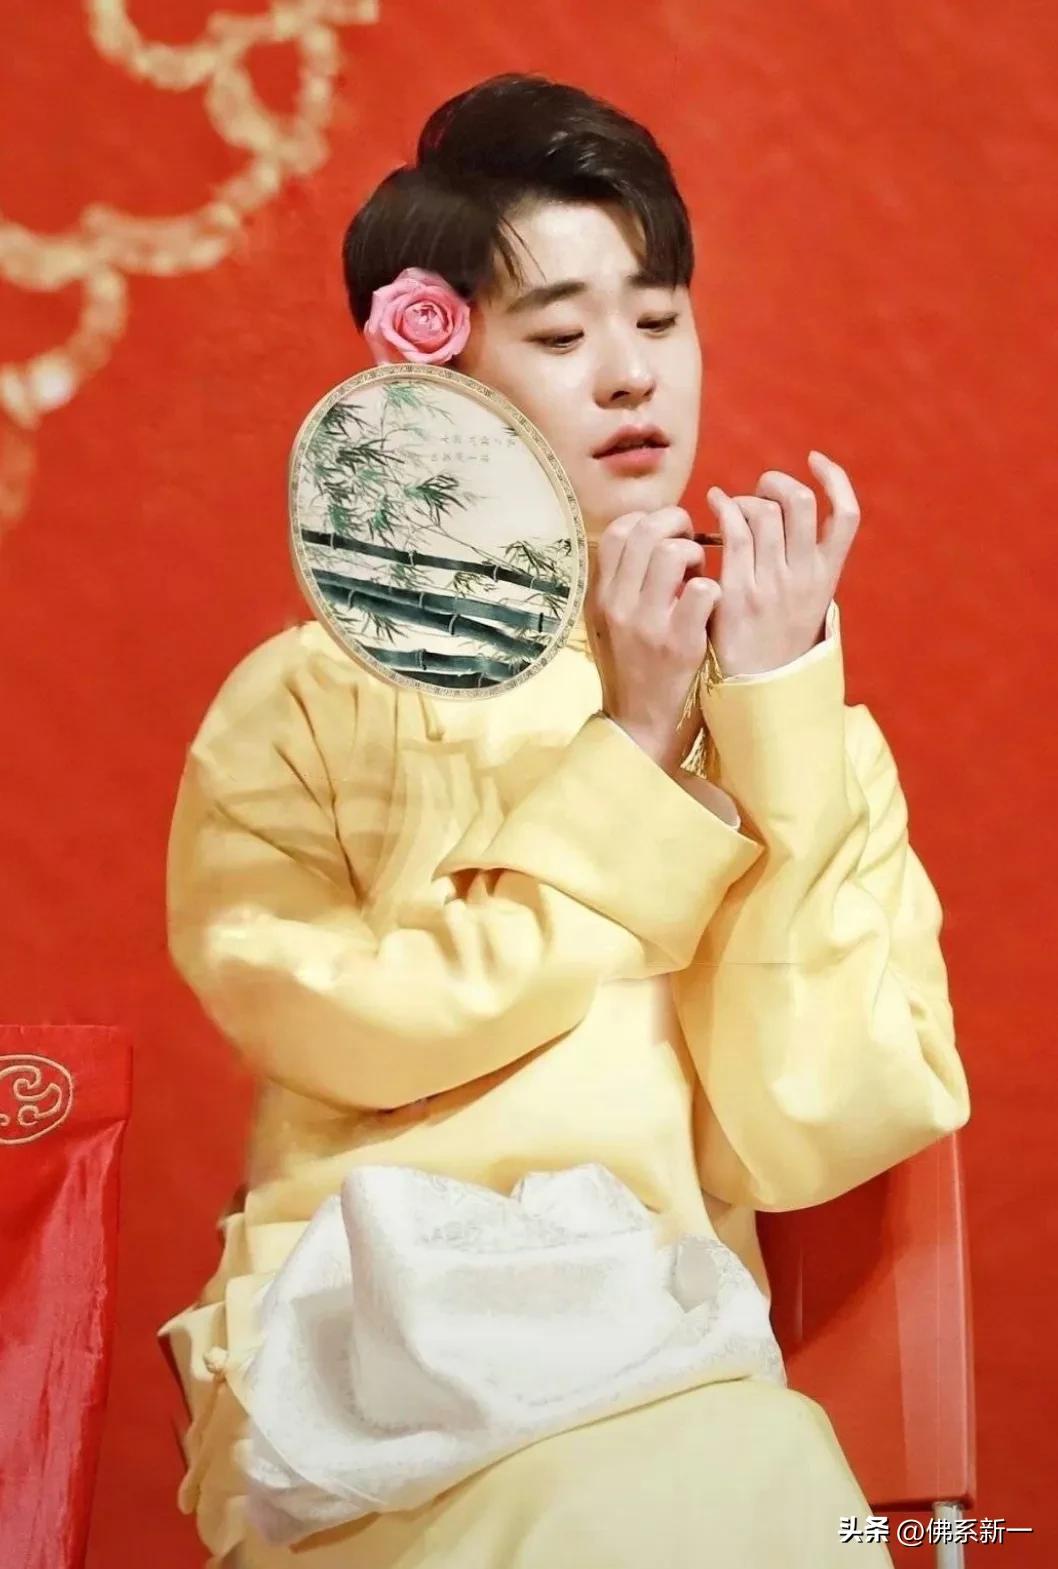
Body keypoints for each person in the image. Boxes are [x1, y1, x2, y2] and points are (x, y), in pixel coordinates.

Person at [160, 72, 970, 1568]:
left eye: (658, 320)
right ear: (443, 367)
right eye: (559, 334)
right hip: (385, 1350)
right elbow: (348, 1026)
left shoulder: (791, 712)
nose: (627, 376)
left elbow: (814, 1126)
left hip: (670, 1349)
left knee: (768, 1494)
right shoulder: (311, 700)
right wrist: (633, 755)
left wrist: (773, 707)